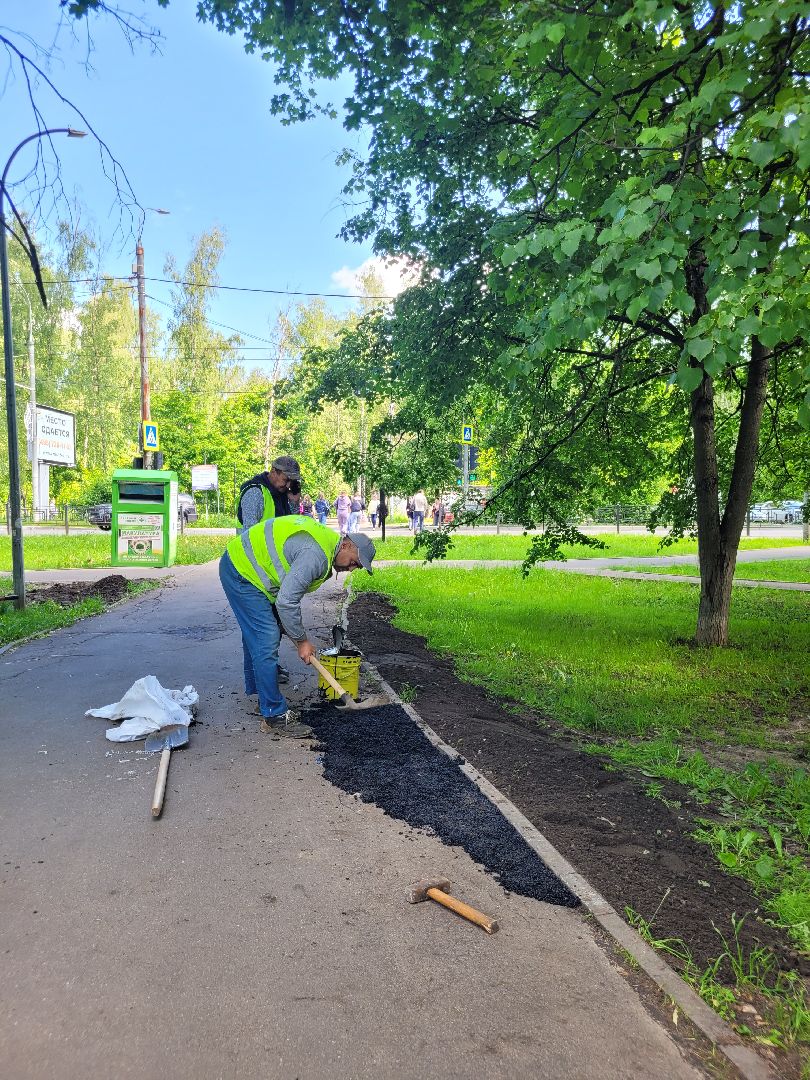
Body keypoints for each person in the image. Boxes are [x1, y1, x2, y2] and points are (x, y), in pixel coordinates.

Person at [219, 515, 375, 737]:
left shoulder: (327, 546)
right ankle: (274, 716)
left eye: (357, 567)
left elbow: (285, 597)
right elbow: (286, 601)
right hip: (242, 572)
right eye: (355, 562)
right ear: (348, 544)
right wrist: (302, 641)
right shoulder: (317, 556)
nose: (352, 569)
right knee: (266, 637)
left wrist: (286, 623)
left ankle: (264, 699)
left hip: (251, 570)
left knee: (260, 632)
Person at [236, 456, 301, 530]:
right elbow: (250, 534)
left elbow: (291, 529)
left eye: (292, 482)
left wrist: (294, 503)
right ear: (273, 471)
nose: (288, 485)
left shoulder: (281, 493)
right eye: (286, 479)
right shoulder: (255, 493)